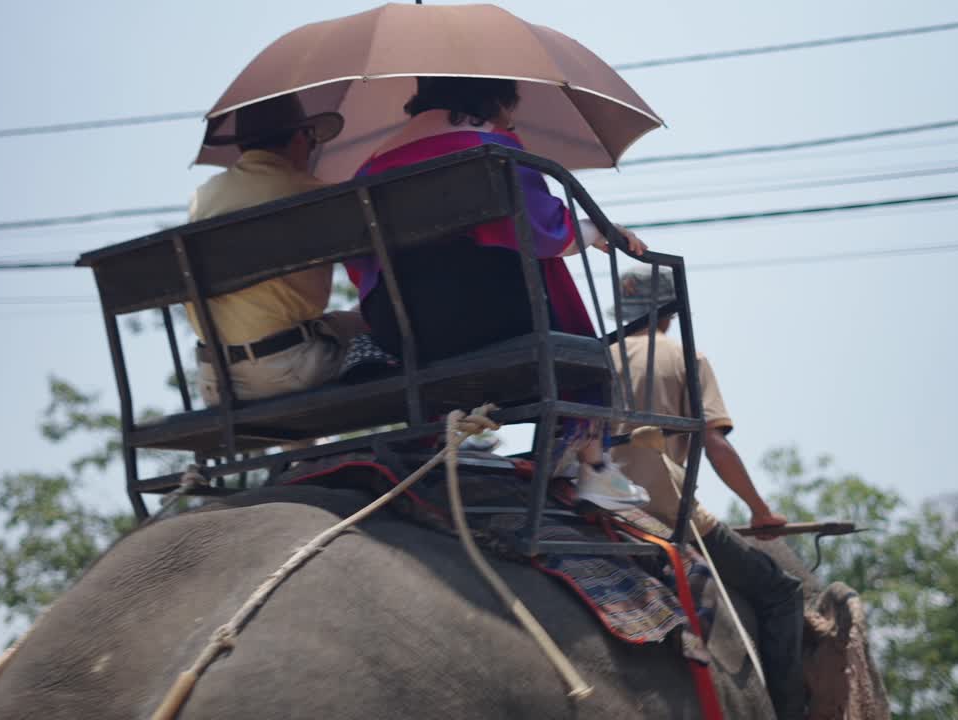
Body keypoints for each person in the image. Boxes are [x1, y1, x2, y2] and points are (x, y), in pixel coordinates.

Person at [342, 76, 649, 509]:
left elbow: (360, 264)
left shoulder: (370, 167)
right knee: (586, 355)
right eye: (511, 105)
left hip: (408, 336)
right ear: (493, 100)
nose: (512, 117)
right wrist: (600, 230)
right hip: (499, 324)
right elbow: (545, 234)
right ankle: (595, 468)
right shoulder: (492, 146)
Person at [608, 267, 806, 720]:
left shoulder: (597, 355)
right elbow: (714, 444)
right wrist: (761, 512)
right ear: (669, 314)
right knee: (782, 592)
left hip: (596, 503)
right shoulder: (685, 359)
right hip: (664, 512)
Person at [188, 94, 356, 407]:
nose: (312, 149)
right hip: (291, 370)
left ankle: (306, 457)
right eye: (311, 138)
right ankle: (423, 442)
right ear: (297, 137)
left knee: (303, 335)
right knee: (384, 328)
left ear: (242, 147)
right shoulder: (311, 193)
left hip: (215, 381)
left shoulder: (202, 197)